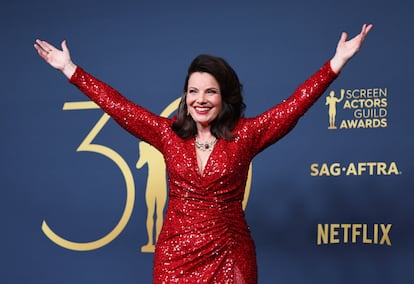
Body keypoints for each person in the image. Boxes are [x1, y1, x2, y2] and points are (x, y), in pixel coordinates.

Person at [34, 23, 372, 284]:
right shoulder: (167, 134)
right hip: (175, 258)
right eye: (193, 91)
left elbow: (293, 107)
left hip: (231, 254)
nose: (200, 99)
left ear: (224, 97)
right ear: (185, 96)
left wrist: (336, 63)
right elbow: (120, 107)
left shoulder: (247, 134)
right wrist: (71, 70)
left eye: (210, 91)